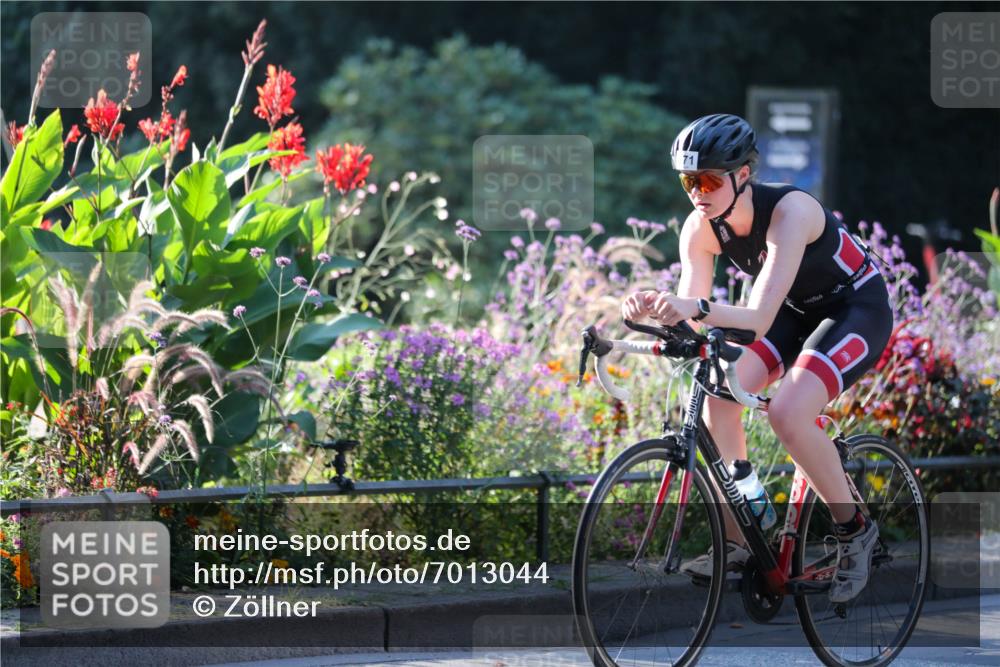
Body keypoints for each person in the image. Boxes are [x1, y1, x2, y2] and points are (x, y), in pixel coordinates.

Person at [621, 113, 892, 603]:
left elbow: (759, 316)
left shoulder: (791, 211)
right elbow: (695, 316)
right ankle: (744, 532)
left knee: (789, 413)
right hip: (793, 312)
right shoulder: (699, 229)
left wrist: (693, 309)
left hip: (853, 309)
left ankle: (855, 529)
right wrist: (656, 311)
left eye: (708, 180)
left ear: (743, 175)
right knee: (716, 399)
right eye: (688, 181)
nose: (697, 192)